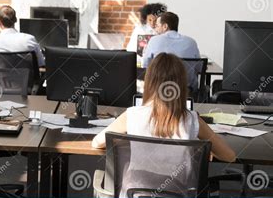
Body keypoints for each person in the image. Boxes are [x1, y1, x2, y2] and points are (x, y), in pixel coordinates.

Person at [92, 53, 236, 164]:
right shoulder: (192, 119)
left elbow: (97, 143)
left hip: (135, 197)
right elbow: (230, 156)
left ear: (149, 82)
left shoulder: (131, 115)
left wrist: (125, 141)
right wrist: (201, 149)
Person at [142, 11, 200, 90]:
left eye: (157, 26)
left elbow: (146, 65)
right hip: (186, 91)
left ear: (165, 26)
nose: (155, 29)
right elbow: (199, 68)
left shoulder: (154, 40)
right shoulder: (191, 42)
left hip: (158, 90)